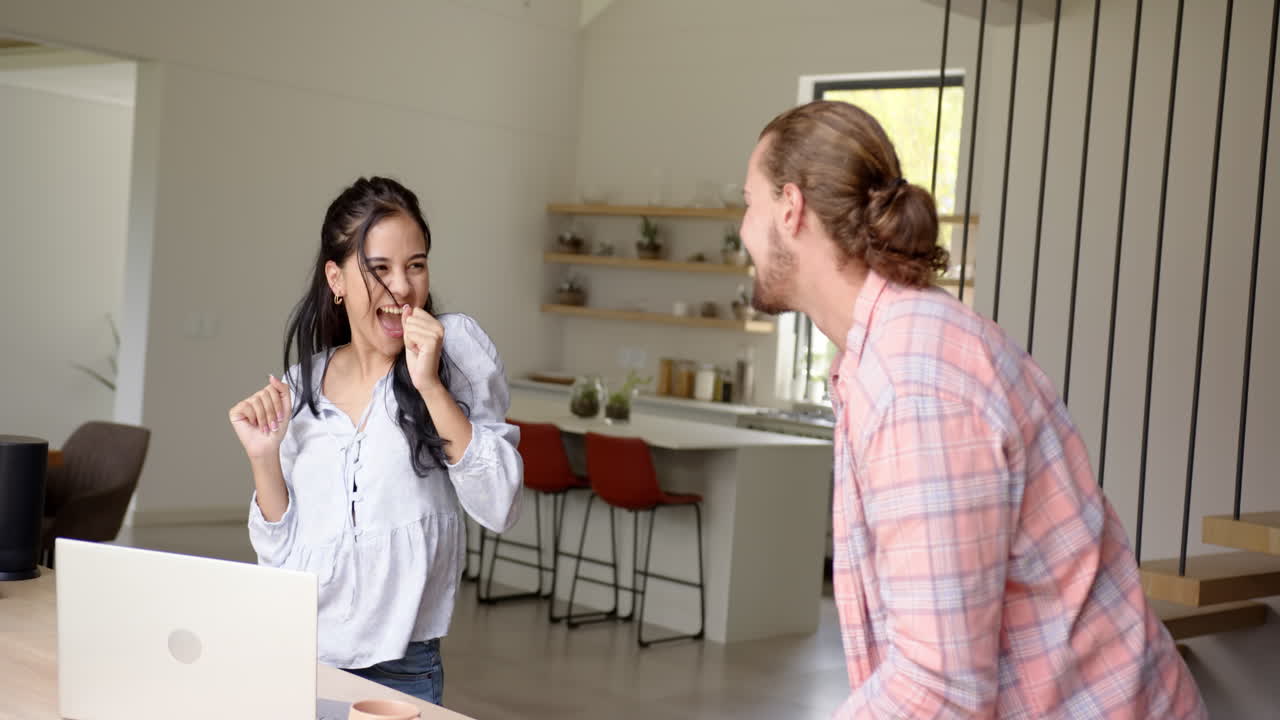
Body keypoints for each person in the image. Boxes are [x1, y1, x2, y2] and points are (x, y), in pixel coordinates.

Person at [740, 101, 1205, 718]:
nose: (743, 228)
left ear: (791, 208)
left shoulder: (915, 386)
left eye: (749, 203)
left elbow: (936, 690)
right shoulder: (888, 352)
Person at [228, 176, 523, 706]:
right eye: (379, 269)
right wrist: (263, 458)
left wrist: (430, 384)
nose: (404, 288)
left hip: (402, 672)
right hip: (301, 659)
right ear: (336, 279)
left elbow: (500, 505)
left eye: (416, 265)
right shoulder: (302, 385)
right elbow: (281, 560)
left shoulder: (454, 353)